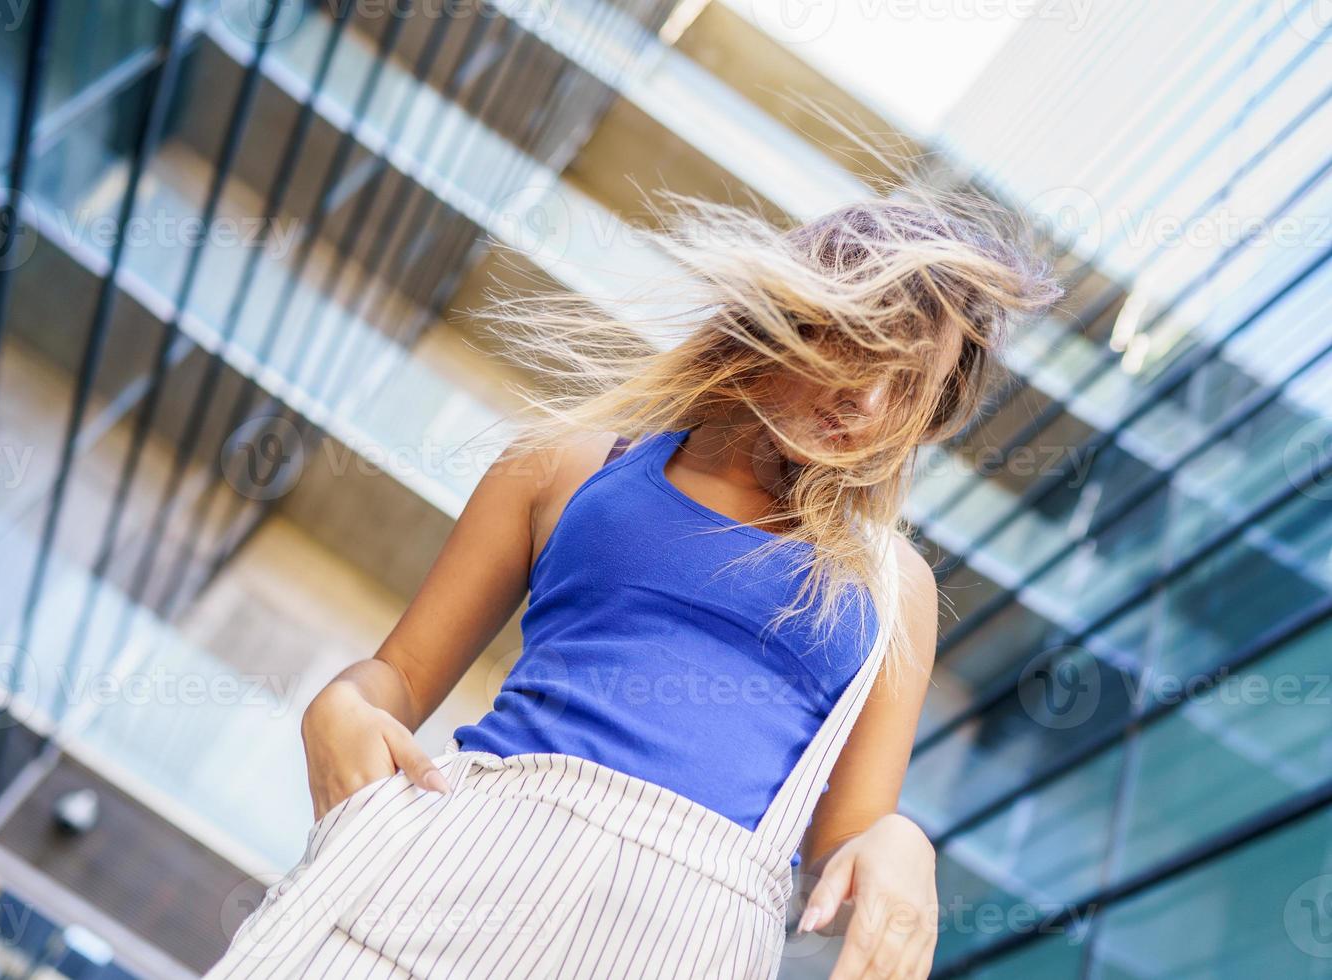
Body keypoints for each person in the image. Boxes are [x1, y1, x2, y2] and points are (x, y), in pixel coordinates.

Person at [207, 188, 1059, 979]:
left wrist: (904, 842)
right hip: (459, 860)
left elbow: (843, 848)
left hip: (682, 943)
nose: (870, 401)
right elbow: (396, 676)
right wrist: (340, 707)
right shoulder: (564, 463)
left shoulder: (890, 585)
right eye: (859, 342)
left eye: (909, 385)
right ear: (789, 315)